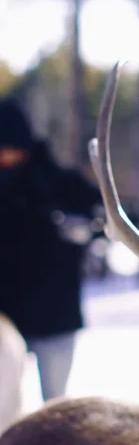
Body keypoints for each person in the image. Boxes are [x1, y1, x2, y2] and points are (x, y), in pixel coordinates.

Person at [0, 97, 102, 402]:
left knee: (55, 409)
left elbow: (114, 216)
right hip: (5, 321)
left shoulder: (61, 183)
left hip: (54, 315)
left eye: (10, 150)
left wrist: (88, 228)